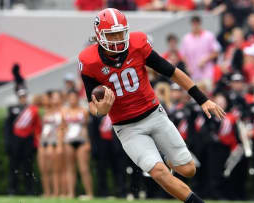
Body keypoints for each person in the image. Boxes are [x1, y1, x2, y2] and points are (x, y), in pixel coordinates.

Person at [79, 8, 225, 203]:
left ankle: (164, 154)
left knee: (188, 170)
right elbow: (92, 105)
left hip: (154, 115)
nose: (117, 39)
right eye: (111, 35)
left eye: (120, 33)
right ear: (99, 35)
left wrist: (202, 99)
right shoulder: (89, 61)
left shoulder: (138, 44)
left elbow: (172, 72)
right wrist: (101, 111)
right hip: (127, 127)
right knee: (159, 172)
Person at [4, 87, 42, 195]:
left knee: (28, 168)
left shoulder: (32, 110)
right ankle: (12, 190)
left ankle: (29, 190)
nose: (23, 98)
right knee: (13, 168)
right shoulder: (12, 109)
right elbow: (7, 128)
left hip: (27, 143)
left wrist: (35, 144)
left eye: (24, 96)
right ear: (18, 97)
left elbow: (37, 128)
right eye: (21, 97)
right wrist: (8, 143)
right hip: (15, 142)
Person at [61, 90, 93, 199]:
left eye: (74, 97)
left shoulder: (83, 111)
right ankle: (71, 193)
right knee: (70, 168)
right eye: (70, 98)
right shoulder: (64, 112)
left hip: (82, 141)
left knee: (84, 168)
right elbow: (62, 127)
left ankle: (89, 193)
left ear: (77, 98)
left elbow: (87, 127)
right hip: (69, 141)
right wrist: (62, 143)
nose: (72, 100)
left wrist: (88, 142)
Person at [180, 15, 221, 90]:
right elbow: (183, 55)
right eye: (193, 24)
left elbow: (216, 52)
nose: (195, 26)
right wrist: (187, 67)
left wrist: (205, 59)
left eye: (197, 24)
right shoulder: (186, 38)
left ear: (200, 24)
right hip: (193, 74)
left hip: (207, 73)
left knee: (207, 94)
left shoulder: (208, 36)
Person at [38, 90, 56, 197]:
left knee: (52, 168)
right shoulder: (40, 112)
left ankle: (55, 192)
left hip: (52, 141)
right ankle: (47, 192)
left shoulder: (55, 111)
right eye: (43, 98)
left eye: (46, 98)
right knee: (43, 169)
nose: (45, 100)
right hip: (42, 141)